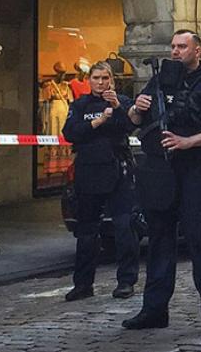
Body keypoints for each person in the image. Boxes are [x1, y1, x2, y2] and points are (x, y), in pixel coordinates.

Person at [122, 30, 201, 334]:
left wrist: (189, 142)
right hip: (160, 172)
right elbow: (133, 121)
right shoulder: (160, 80)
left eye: (182, 46)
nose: (175, 51)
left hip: (195, 171)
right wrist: (137, 109)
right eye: (173, 46)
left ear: (197, 51)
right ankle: (153, 311)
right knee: (159, 241)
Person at [61, 61, 139, 302]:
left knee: (125, 227)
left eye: (105, 78)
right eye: (96, 78)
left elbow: (131, 125)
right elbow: (70, 132)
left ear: (111, 80)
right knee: (86, 231)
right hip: (89, 172)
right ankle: (83, 284)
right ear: (89, 80)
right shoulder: (80, 104)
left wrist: (116, 107)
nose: (101, 82)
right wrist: (97, 122)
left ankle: (126, 281)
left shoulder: (122, 102)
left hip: (117, 170)